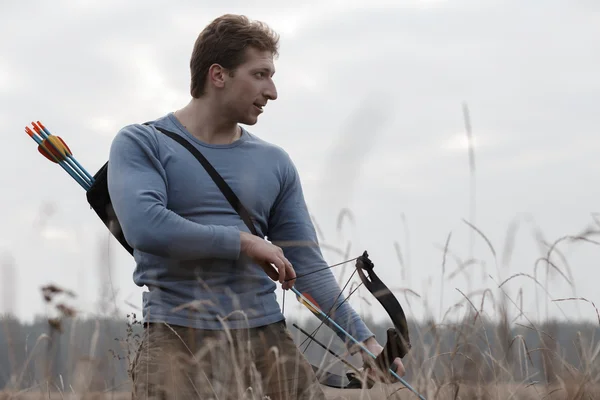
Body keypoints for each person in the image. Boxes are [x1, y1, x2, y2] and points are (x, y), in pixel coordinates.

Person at [107, 13, 405, 400]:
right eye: (261, 74)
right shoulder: (141, 143)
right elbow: (146, 226)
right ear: (218, 75)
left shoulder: (275, 162)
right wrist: (246, 242)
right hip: (175, 338)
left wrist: (364, 345)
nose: (273, 91)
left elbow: (308, 266)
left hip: (267, 339)